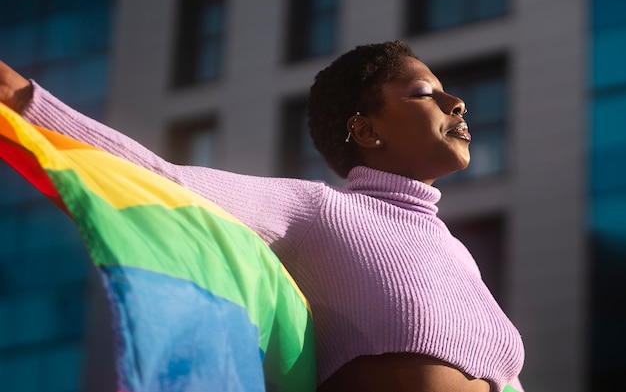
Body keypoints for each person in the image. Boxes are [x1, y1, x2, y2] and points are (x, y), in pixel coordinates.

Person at [0, 41, 524, 392]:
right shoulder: (319, 211)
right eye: (424, 94)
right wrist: (24, 100)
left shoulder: (457, 253)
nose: (457, 104)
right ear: (365, 131)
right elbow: (164, 179)